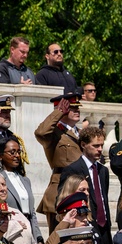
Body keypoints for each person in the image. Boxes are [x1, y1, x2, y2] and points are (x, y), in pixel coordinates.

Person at [60, 126, 114, 244]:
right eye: (95, 146)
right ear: (83, 145)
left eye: (101, 146)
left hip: (103, 228)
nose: (99, 150)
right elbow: (64, 200)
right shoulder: (72, 169)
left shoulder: (102, 171)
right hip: (85, 225)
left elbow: (102, 198)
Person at [34, 91, 83, 232]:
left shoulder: (80, 133)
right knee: (58, 239)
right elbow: (40, 133)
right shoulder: (54, 133)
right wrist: (58, 113)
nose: (77, 111)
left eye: (77, 107)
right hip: (60, 189)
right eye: (72, 108)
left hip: (79, 188)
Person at [0, 136, 43, 244]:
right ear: (0, 155)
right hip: (11, 232)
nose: (17, 155)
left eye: (18, 152)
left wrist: (39, 238)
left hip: (29, 232)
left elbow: (32, 213)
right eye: (12, 152)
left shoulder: (25, 180)